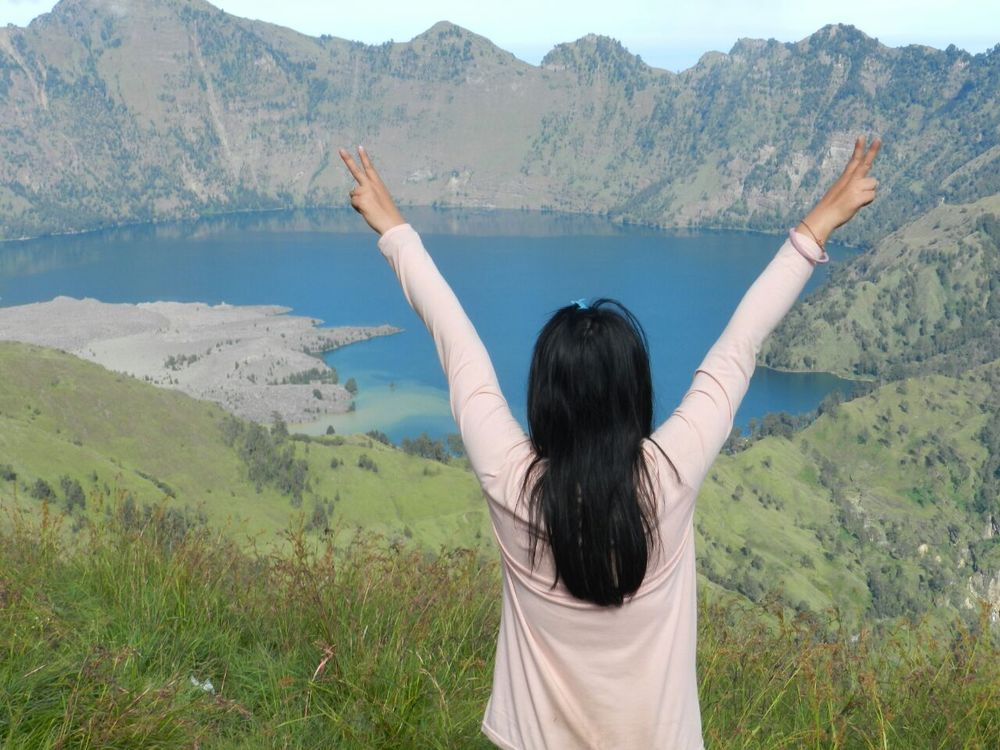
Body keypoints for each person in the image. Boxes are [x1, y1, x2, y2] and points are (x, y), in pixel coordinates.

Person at [339, 138, 880, 750]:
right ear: (634, 392)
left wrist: (395, 230)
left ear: (544, 395)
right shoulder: (669, 474)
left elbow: (457, 343)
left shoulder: (514, 483)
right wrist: (819, 223)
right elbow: (739, 346)